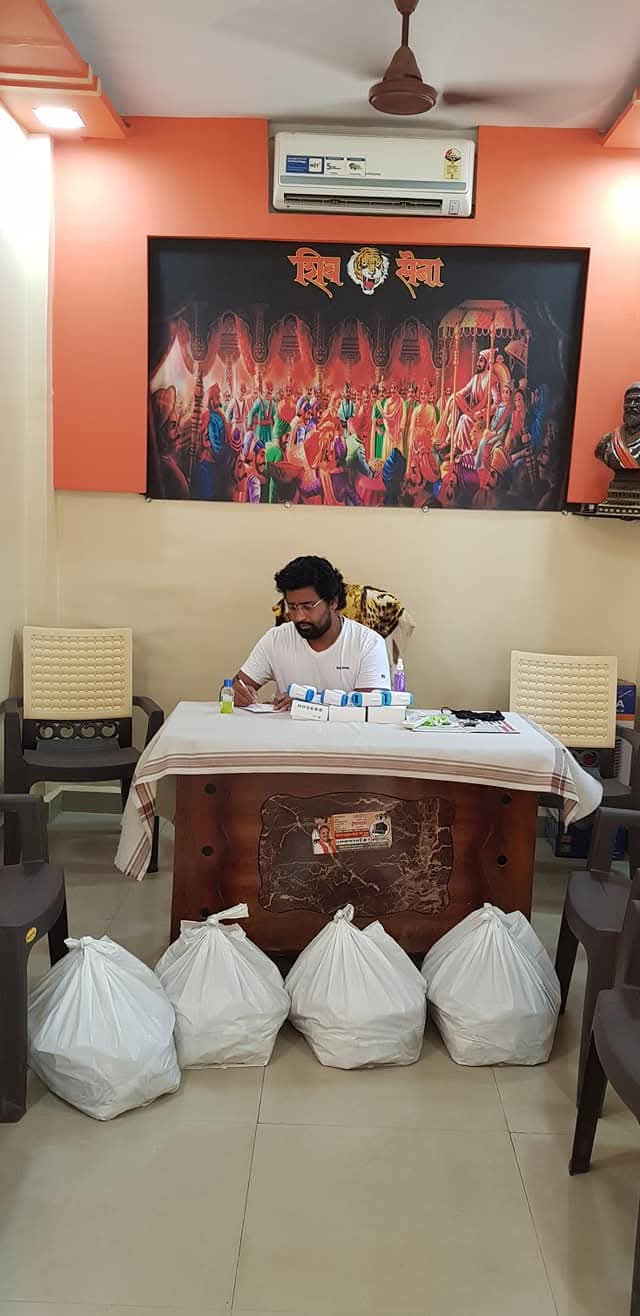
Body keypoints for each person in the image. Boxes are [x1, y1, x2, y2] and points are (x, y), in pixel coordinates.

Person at [234, 556, 391, 709]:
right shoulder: (275, 639)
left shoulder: (368, 643)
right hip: (287, 727)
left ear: (333, 602)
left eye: (308, 607)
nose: (299, 616)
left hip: (344, 728)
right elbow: (233, 687)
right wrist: (235, 694)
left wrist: (309, 702)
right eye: (292, 607)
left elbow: (371, 707)